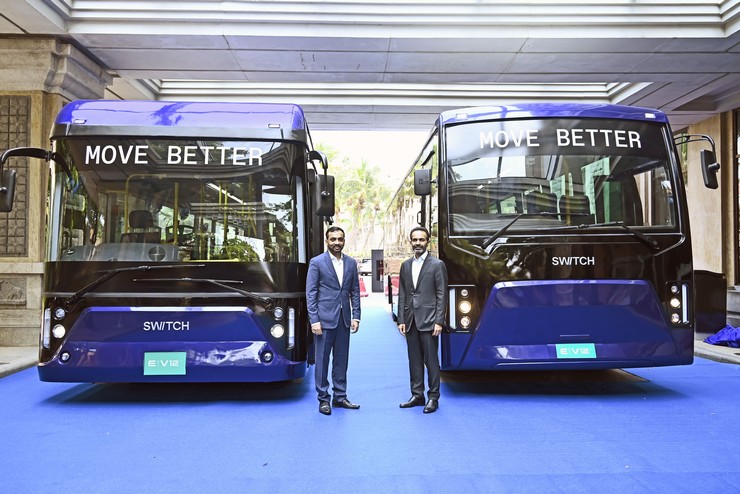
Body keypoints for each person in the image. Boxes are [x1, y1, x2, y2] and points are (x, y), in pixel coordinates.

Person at [306, 226, 362, 415]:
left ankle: (340, 397)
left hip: (344, 319)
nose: (337, 242)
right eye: (333, 239)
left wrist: (356, 316)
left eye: (340, 239)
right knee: (322, 361)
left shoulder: (351, 263)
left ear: (344, 240)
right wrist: (314, 320)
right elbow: (311, 293)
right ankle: (323, 399)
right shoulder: (317, 262)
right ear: (327, 241)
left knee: (341, 360)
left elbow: (355, 291)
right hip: (323, 320)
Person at [397, 226, 448, 414]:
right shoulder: (405, 265)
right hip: (411, 320)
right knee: (414, 360)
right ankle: (417, 395)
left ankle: (433, 397)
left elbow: (442, 294)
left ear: (428, 242)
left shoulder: (437, 265)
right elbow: (403, 293)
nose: (418, 243)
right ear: (410, 242)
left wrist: (439, 321)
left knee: (431, 361)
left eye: (421, 239)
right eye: (415, 240)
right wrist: (401, 319)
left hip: (430, 321)